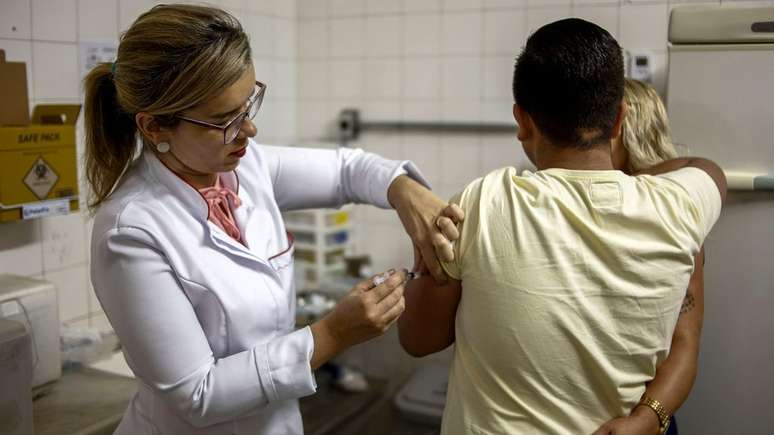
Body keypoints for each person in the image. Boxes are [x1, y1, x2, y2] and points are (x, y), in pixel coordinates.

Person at [84, 5, 460, 435]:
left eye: (248, 105)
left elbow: (348, 170)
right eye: (224, 120)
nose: (249, 131)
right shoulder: (130, 231)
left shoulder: (245, 168)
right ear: (154, 127)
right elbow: (198, 394)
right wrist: (334, 334)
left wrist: (406, 192)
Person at [398, 19, 726, 435]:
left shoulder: (482, 201)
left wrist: (428, 264)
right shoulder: (681, 208)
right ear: (620, 118)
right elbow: (709, 170)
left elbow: (417, 340)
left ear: (522, 120)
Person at [593, 79, 704, 435]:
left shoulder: (671, 218)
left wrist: (645, 418)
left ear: (624, 128)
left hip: (641, 420)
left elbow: (685, 341)